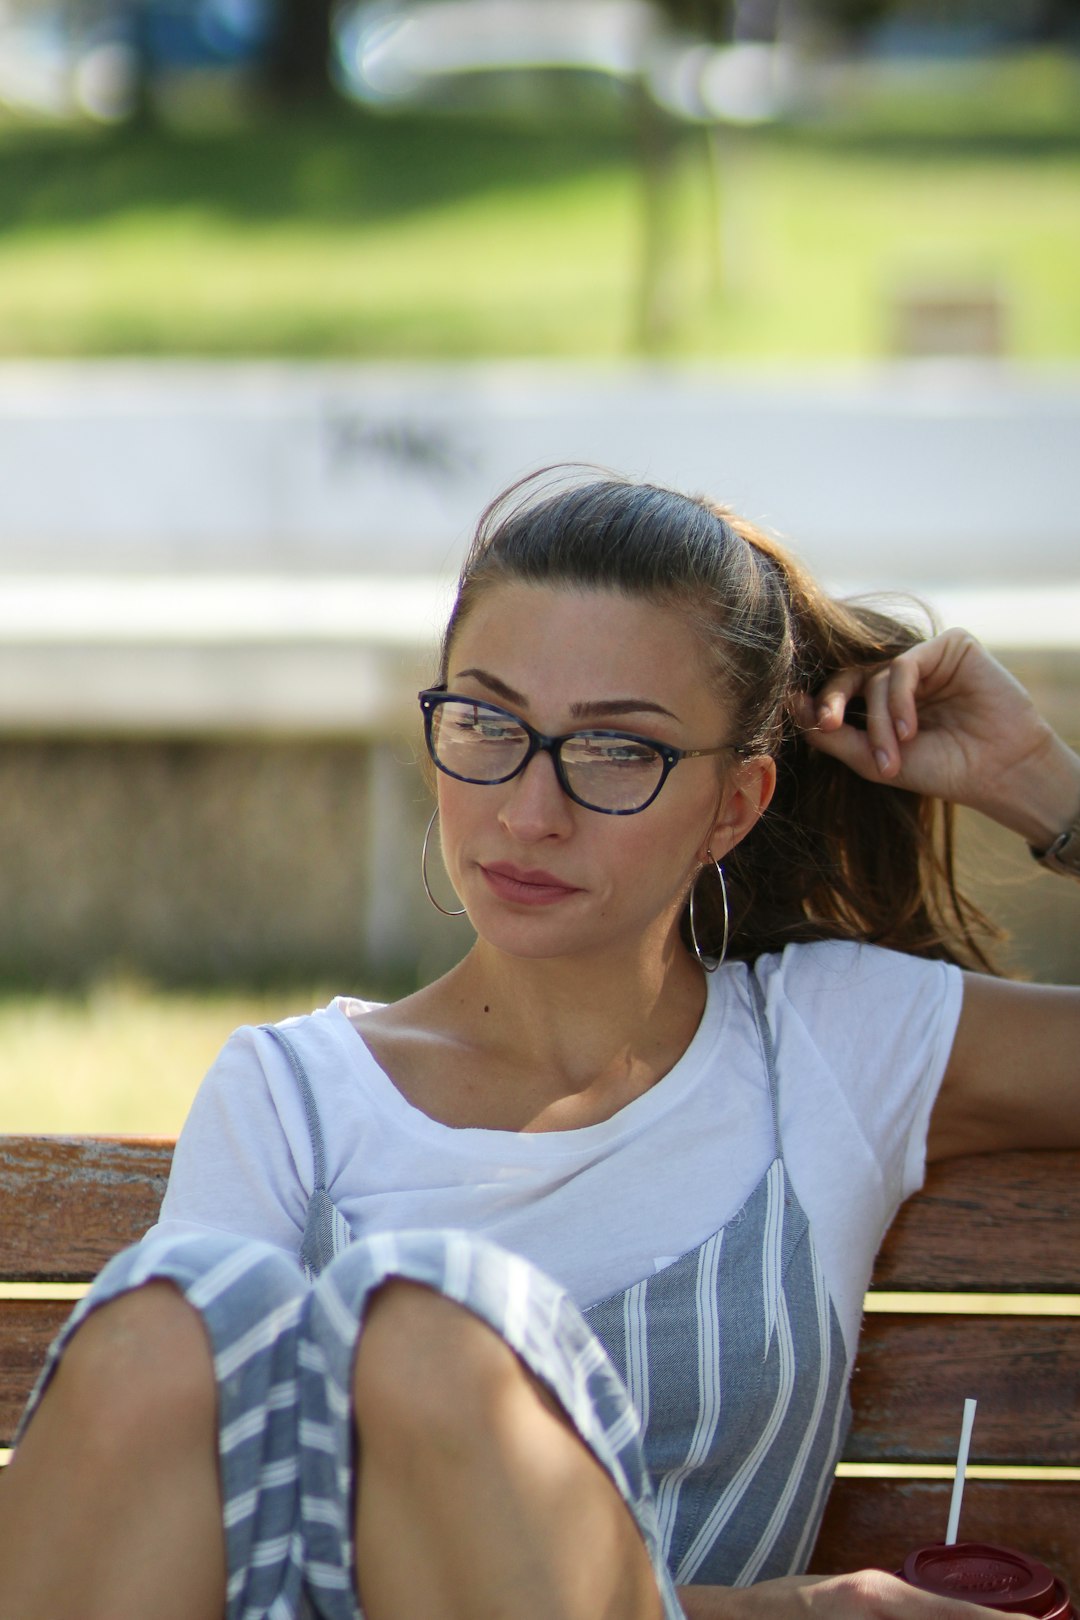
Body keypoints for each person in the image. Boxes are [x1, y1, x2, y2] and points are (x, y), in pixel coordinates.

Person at [1, 469, 1078, 1620]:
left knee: (428, 1322)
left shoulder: (829, 1046)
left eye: (619, 750)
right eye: (488, 723)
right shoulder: (295, 1095)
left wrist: (1042, 785)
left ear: (737, 804)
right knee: (173, 1320)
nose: (528, 810)